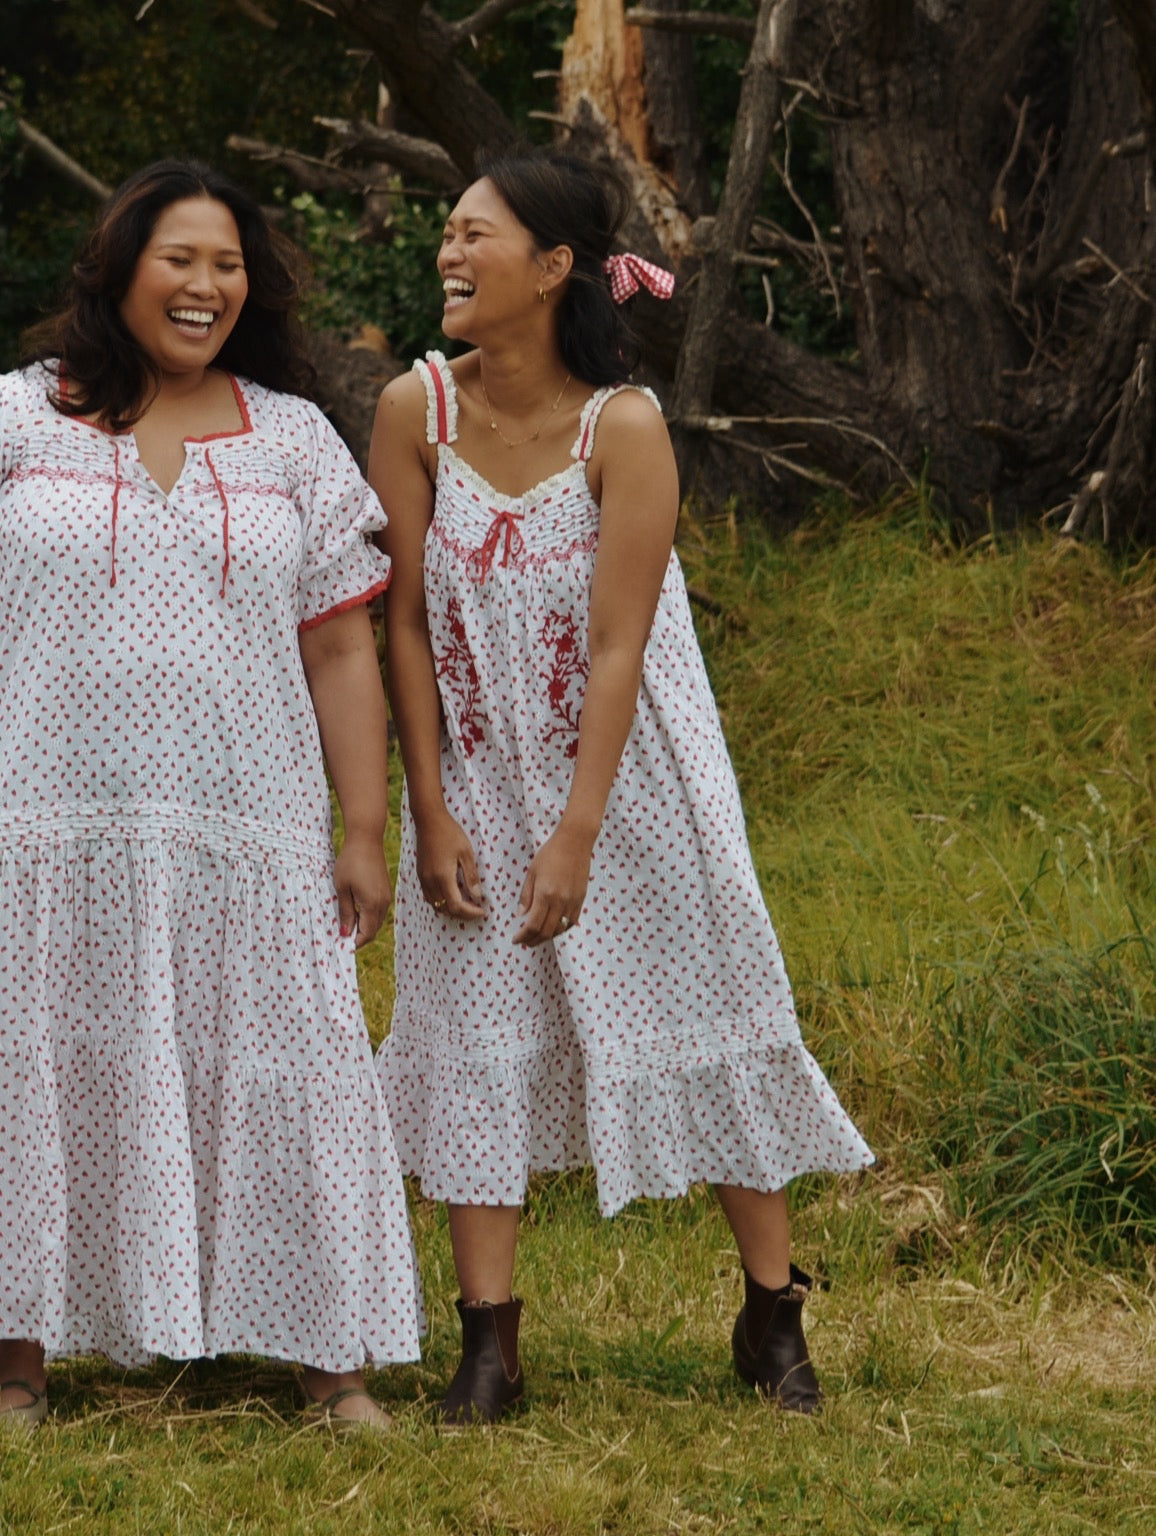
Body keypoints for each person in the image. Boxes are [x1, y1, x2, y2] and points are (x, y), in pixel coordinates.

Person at [369, 148, 873, 1425]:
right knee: (476, 1037)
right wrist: (429, 809)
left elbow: (618, 644)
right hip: (474, 780)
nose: (448, 254)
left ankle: (772, 1313)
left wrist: (580, 832)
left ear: (550, 269)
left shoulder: (625, 424)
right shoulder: (412, 411)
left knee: (703, 1008)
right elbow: (408, 625)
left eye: (473, 235)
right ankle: (490, 1347)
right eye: (447, 232)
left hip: (632, 786)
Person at [0, 159, 421, 1435]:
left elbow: (343, 645)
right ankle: (17, 1363)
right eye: (181, 259)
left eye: (228, 265)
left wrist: (365, 825)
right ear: (120, 268)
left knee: (288, 1073)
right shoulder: (16, 419)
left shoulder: (292, 436)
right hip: (47, 827)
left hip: (252, 831)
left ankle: (326, 1361)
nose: (206, 286)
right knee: (36, 1075)